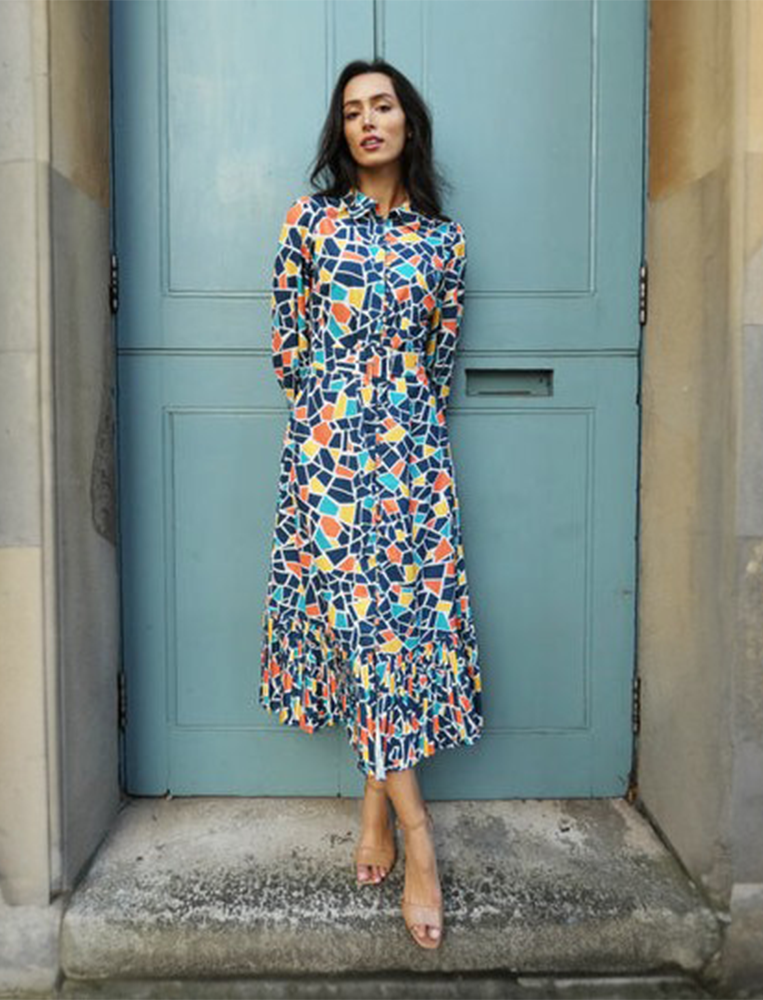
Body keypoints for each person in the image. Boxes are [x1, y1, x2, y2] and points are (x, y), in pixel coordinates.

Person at [258, 58, 484, 950]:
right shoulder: (309, 223)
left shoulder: (445, 244)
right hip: (328, 458)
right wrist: (333, 413)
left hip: (415, 461)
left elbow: (440, 354)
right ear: (341, 132)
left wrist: (399, 424)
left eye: (382, 105)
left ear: (407, 122)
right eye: (352, 111)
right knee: (357, 627)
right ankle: (419, 835)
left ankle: (374, 813)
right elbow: (287, 339)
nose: (368, 122)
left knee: (398, 630)